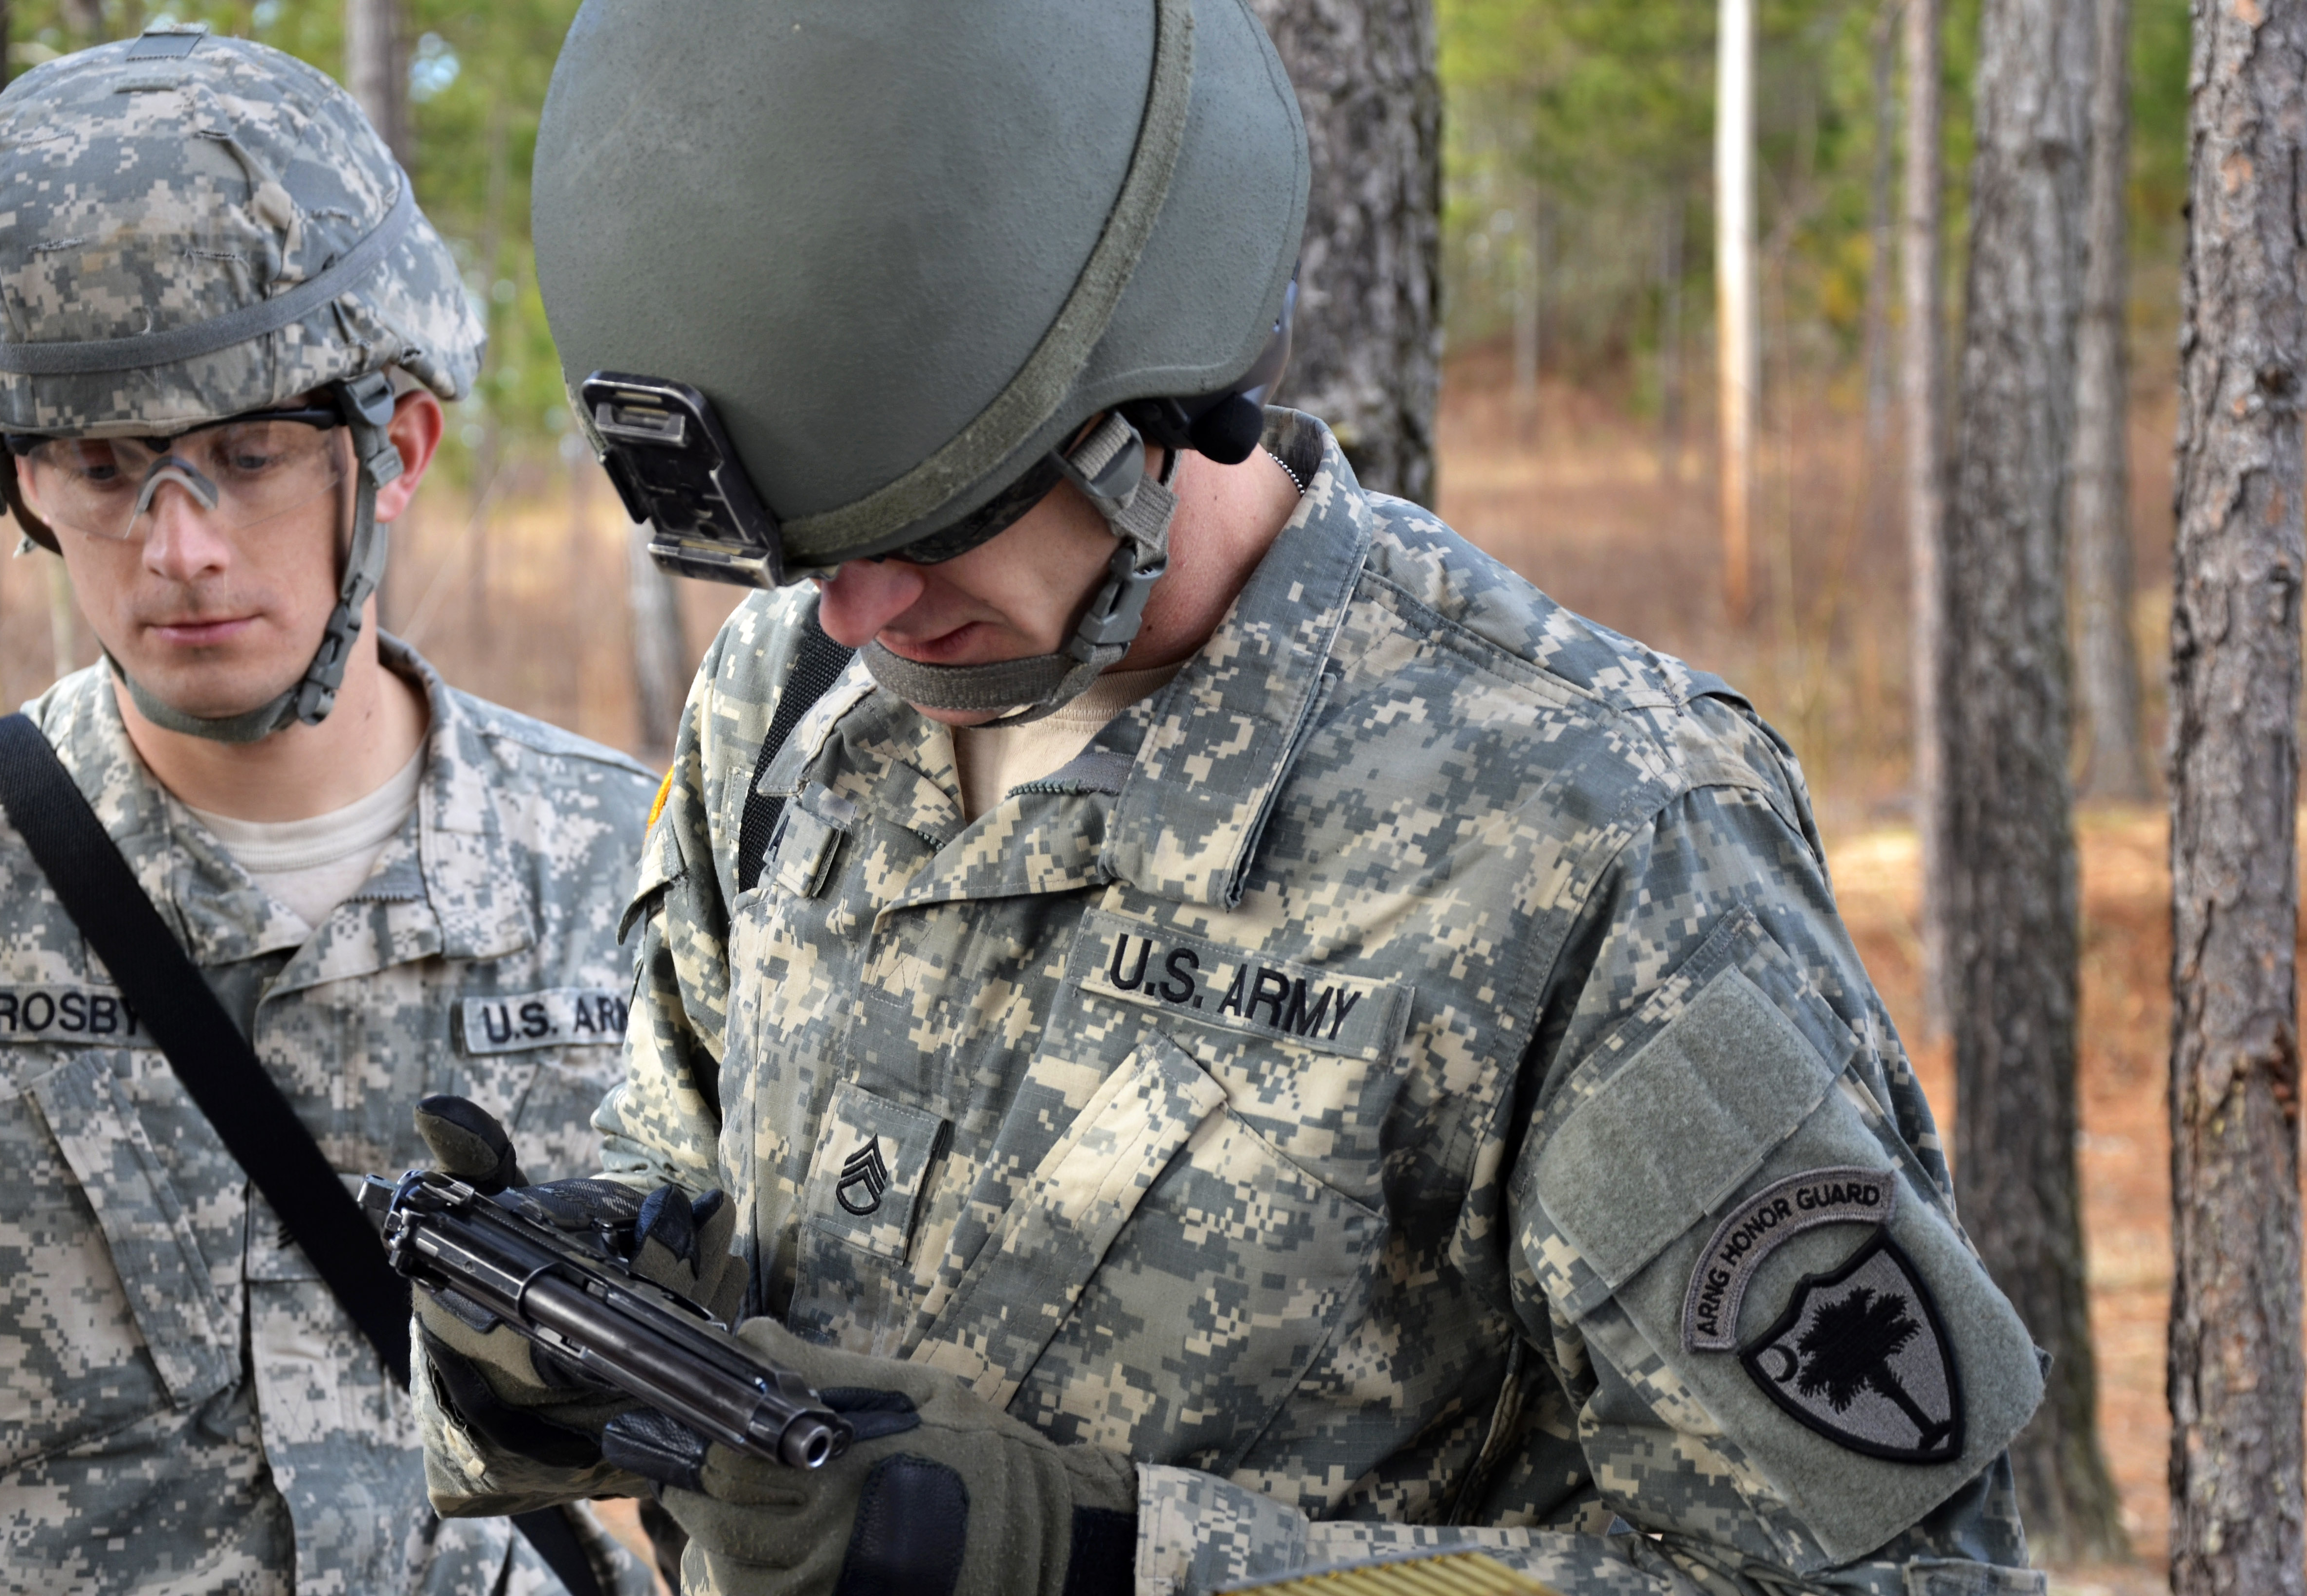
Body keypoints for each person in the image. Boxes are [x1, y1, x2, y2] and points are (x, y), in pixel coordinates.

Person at [412, 1, 2048, 1593]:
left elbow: (1887, 1576)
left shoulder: (1589, 825)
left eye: (924, 525)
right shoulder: (790, 702)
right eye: (809, 551)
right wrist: (578, 1322)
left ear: (1154, 387)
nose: (853, 612)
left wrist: (1118, 1560)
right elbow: (688, 1143)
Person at [0, 25, 658, 1596]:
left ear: (395, 452)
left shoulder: (643, 874)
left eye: (246, 456)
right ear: (21, 483)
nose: (175, 547)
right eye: (106, 466)